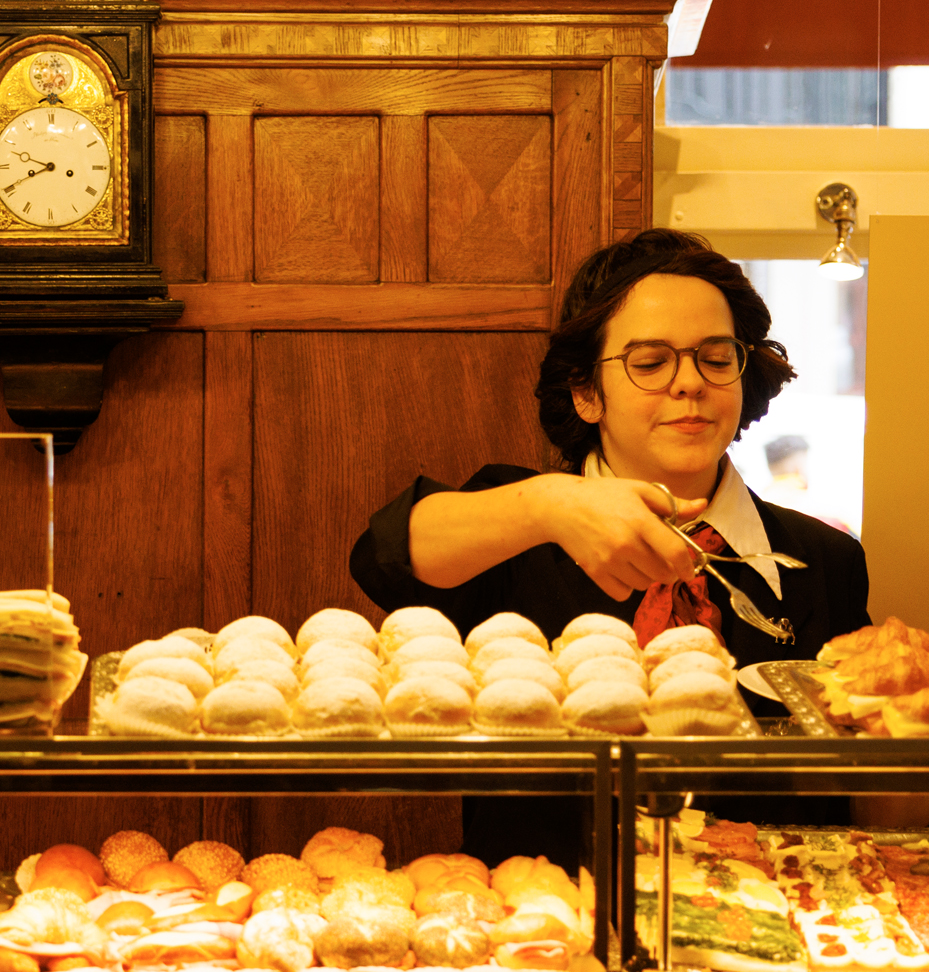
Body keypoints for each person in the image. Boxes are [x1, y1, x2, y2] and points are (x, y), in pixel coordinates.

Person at [349, 228, 874, 858]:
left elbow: (867, 792)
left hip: (773, 920)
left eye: (715, 357)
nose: (690, 384)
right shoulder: (517, 528)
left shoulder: (823, 560)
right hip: (552, 916)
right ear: (585, 392)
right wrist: (548, 504)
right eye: (650, 363)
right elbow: (383, 555)